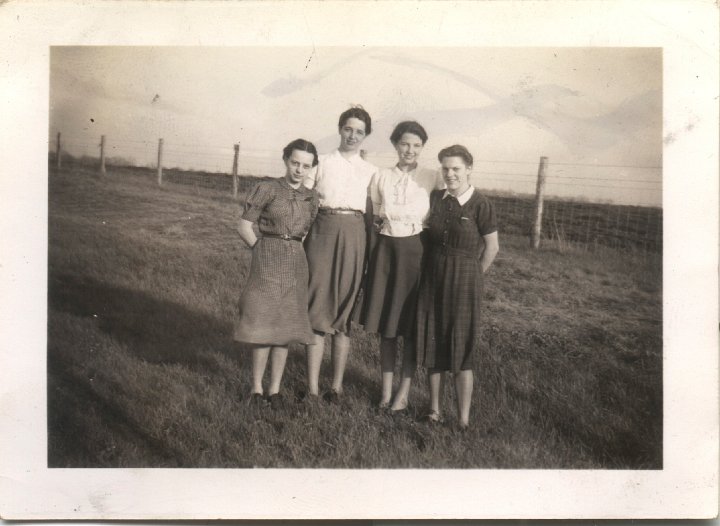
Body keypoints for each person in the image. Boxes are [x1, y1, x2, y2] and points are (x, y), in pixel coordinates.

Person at [359, 121, 443, 412]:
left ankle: (403, 394)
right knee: (387, 328)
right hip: (386, 253)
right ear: (396, 144)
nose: (410, 150)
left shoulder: (433, 177)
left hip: (416, 254)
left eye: (417, 145)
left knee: (408, 327)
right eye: (405, 144)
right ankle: (385, 393)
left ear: (422, 148)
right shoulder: (381, 177)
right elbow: (374, 219)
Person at [415, 144, 499, 429]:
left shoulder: (481, 204)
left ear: (469, 170)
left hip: (465, 282)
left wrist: (474, 275)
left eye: (456, 169)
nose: (450, 174)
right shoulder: (437, 198)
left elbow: (492, 247)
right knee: (433, 342)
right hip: (433, 277)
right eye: (446, 169)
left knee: (462, 348)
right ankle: (434, 411)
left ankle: (463, 419)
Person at [234, 139, 320, 409]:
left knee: (285, 327)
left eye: (305, 165)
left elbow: (306, 231)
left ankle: (275, 390)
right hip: (267, 258)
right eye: (295, 162)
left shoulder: (311, 197)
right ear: (286, 160)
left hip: (296, 261)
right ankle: (256, 389)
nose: (299, 169)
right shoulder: (268, 188)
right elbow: (244, 226)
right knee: (264, 324)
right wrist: (260, 248)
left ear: (311, 168)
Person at [302, 106, 378, 403]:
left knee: (344, 312)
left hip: (355, 234)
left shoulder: (372, 171)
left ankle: (335, 388)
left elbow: (372, 216)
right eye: (348, 128)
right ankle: (311, 388)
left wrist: (369, 253)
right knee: (317, 305)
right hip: (322, 231)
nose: (353, 135)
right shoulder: (321, 163)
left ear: (366, 135)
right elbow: (305, 203)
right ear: (340, 129)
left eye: (359, 131)